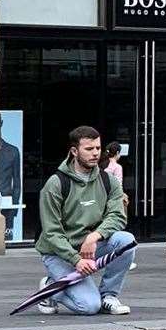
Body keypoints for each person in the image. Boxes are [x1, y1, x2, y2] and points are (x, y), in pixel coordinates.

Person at [34, 126, 135, 316]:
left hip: (91, 247)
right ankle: (51, 287)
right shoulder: (55, 184)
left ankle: (108, 296)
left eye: (98, 148)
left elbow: (118, 216)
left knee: (126, 241)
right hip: (60, 253)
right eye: (89, 149)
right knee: (88, 307)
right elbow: (52, 232)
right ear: (74, 151)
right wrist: (76, 259)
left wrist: (93, 237)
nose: (95, 153)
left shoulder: (107, 180)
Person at [0, 113, 22, 242]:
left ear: (1, 123)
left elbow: (17, 181)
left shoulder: (12, 151)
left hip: (7, 202)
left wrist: (14, 208)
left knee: (7, 242)